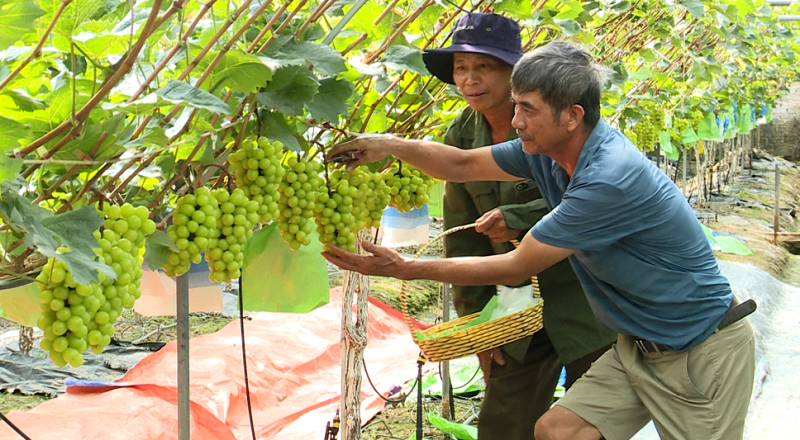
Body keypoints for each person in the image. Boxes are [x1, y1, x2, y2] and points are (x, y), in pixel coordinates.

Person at [323, 40, 756, 440]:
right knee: (557, 430)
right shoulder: (548, 153)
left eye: (527, 109)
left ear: (572, 115)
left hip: (699, 350)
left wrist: (404, 268)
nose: (515, 122)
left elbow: (517, 265)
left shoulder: (607, 178)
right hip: (637, 346)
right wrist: (388, 144)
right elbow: (459, 164)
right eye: (515, 106)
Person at [422, 13, 615, 440]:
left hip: (586, 298)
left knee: (591, 425)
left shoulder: (554, 119)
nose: (470, 80)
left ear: (514, 74)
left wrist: (519, 218)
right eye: (460, 68)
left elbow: (594, 195)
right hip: (518, 309)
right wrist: (478, 326)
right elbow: (463, 235)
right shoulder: (459, 138)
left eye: (484, 67)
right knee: (502, 425)